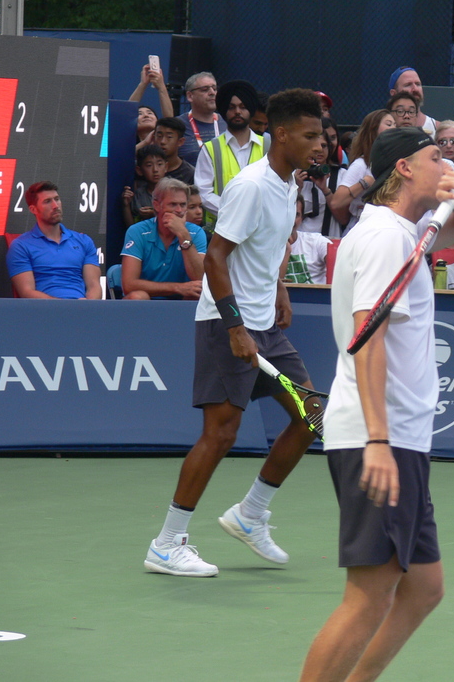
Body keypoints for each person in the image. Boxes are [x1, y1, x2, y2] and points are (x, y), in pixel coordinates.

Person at [298, 126, 454, 682]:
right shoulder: (385, 236)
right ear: (404, 169)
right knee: (369, 596)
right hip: (377, 437)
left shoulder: (406, 231)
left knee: (424, 589)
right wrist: (379, 441)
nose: (448, 162)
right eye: (437, 157)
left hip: (402, 436)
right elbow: (369, 338)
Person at [143, 89, 325, 577]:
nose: (320, 143)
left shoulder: (289, 185)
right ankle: (167, 543)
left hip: (264, 324)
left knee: (312, 417)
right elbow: (218, 258)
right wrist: (236, 326)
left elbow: (264, 252)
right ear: (281, 135)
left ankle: (250, 514)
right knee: (221, 433)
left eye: (322, 134)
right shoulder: (251, 186)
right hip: (229, 325)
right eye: (309, 135)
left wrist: (280, 289)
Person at [7, 182, 101, 300]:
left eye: (57, 199)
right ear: (33, 209)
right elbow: (27, 292)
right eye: (47, 201)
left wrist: (87, 306)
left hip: (82, 309)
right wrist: (64, 306)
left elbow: (94, 286)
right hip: (46, 312)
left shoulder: (83, 241)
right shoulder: (21, 246)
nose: (55, 205)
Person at [195, 80, 268, 229]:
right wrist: (236, 211)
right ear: (224, 111)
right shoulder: (210, 149)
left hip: (261, 230)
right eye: (231, 107)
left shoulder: (268, 145)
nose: (237, 112)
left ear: (251, 110)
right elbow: (203, 193)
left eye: (243, 107)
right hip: (222, 231)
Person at [120, 177, 206, 300]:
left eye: (183, 205)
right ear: (157, 205)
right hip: (148, 300)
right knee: (137, 296)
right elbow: (128, 285)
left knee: (197, 294)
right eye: (173, 204)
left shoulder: (196, 232)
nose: (179, 211)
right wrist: (177, 287)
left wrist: (183, 235)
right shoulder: (137, 231)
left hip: (182, 301)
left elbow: (199, 278)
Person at [331, 109, 397, 233]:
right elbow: (337, 202)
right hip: (361, 228)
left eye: (395, 125)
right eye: (388, 124)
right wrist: (364, 183)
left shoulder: (396, 163)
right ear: (373, 129)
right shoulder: (361, 165)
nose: (393, 128)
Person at [177, 72, 227, 166]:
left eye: (215, 89)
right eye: (205, 89)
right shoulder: (178, 125)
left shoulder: (228, 123)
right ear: (190, 96)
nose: (212, 93)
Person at [286, 198, 332, 285]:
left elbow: (338, 264)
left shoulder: (316, 241)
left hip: (315, 297)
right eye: (287, 214)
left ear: (302, 218)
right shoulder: (266, 244)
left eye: (296, 215)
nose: (291, 220)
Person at [123, 144, 168, 228]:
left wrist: (155, 214)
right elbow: (132, 227)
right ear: (139, 170)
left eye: (159, 164)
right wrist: (126, 206)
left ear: (166, 167)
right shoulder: (139, 195)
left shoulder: (175, 191)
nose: (155, 170)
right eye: (149, 165)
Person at [388, 66, 437, 134]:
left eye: (418, 84)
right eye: (408, 85)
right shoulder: (384, 129)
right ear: (394, 93)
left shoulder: (437, 128)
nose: (415, 89)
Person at [152, 117, 196, 184]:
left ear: (180, 142)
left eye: (169, 137)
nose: (163, 141)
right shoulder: (145, 168)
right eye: (159, 136)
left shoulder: (190, 174)